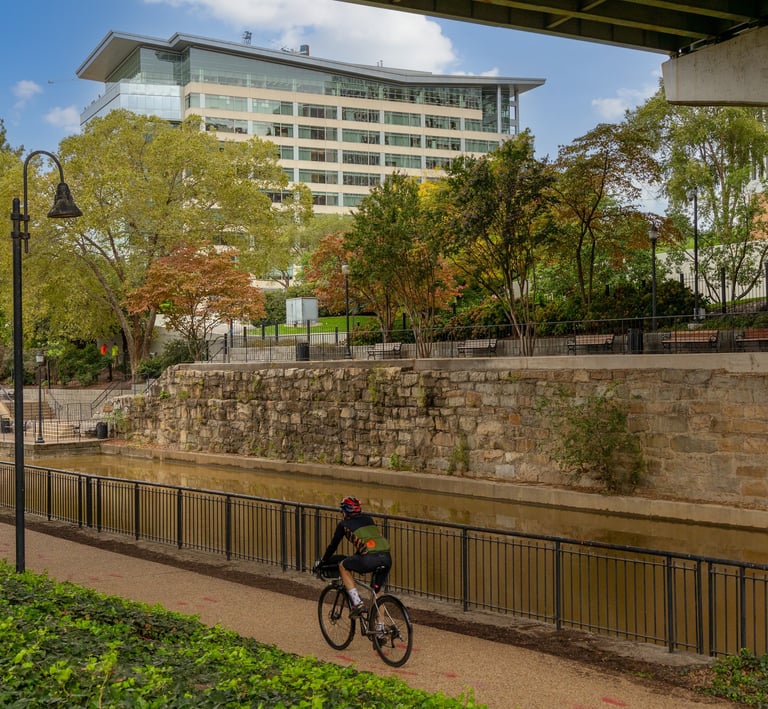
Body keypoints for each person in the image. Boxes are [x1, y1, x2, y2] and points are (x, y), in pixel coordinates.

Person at [319, 496, 391, 617]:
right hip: (387, 558)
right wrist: (357, 557)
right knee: (377, 593)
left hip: (369, 559)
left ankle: (357, 603)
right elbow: (367, 542)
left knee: (343, 566)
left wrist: (323, 561)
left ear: (345, 511)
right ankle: (380, 626)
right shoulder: (369, 519)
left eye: (342, 510)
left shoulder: (344, 524)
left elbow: (333, 546)